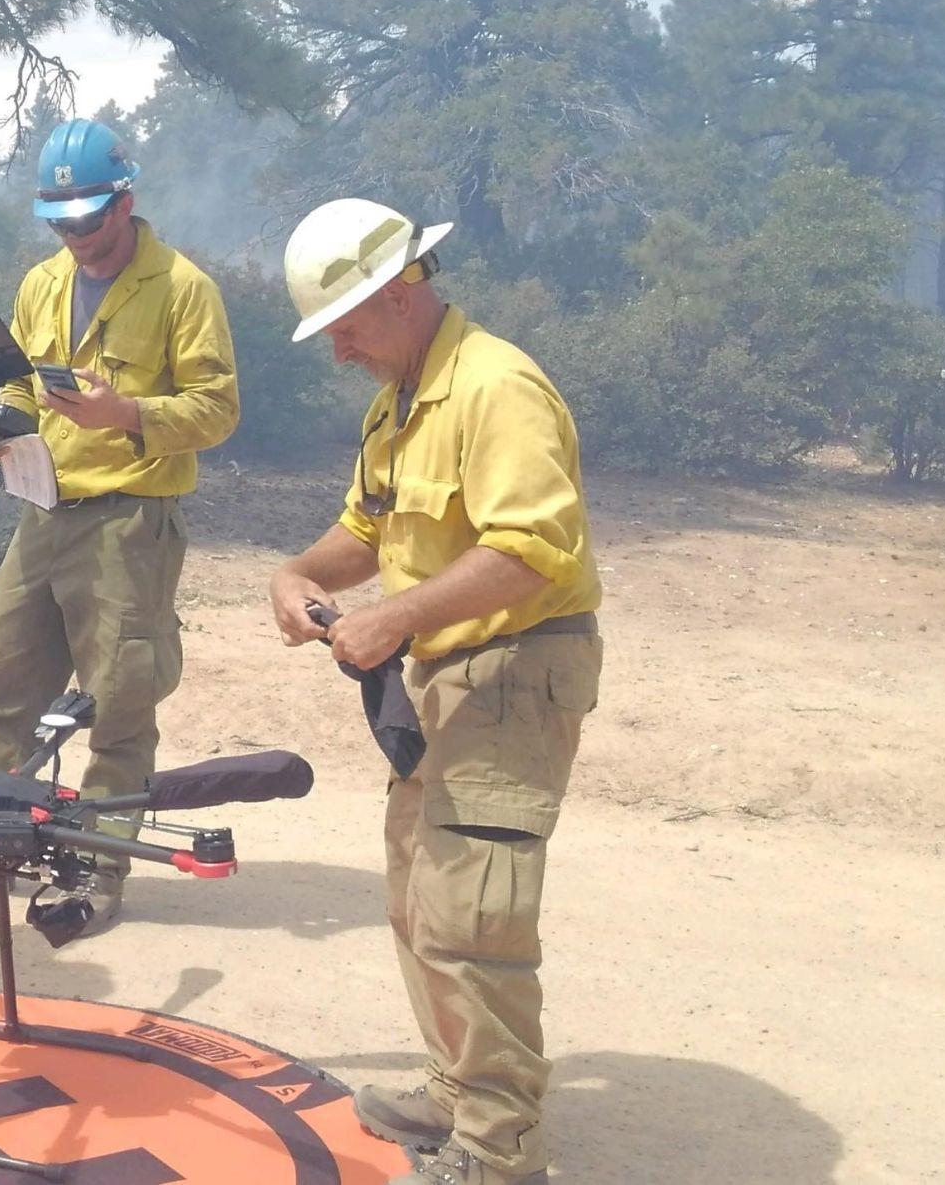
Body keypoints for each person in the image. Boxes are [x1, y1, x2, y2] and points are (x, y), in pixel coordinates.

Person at [264, 199, 602, 1185]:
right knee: (421, 896)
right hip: (449, 674)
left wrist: (394, 618)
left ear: (400, 292)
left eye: (348, 326)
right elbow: (365, 530)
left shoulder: (495, 387)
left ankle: (498, 1153)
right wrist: (298, 574)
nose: (339, 351)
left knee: (473, 913)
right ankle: (458, 1093)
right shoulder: (403, 396)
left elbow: (533, 554)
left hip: (515, 666)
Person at [0, 118, 238, 930]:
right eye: (60, 221)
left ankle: (97, 862)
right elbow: (15, 383)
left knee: (120, 700)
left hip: (128, 522)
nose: (76, 235)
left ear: (125, 201)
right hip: (41, 511)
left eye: (89, 218)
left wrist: (128, 412)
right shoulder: (40, 284)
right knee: (4, 682)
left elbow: (217, 409)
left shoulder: (184, 288)